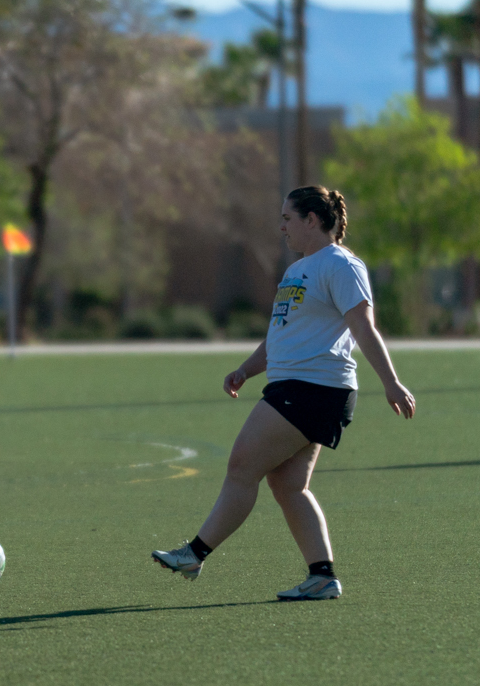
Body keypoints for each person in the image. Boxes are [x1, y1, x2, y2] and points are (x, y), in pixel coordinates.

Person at [150, 186, 416, 601]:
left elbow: (364, 327)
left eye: (288, 218)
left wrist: (391, 381)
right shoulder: (297, 271)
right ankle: (322, 576)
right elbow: (281, 336)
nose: (282, 226)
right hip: (296, 385)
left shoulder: (341, 265)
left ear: (312, 219)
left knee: (242, 465)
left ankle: (195, 554)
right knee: (288, 484)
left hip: (316, 387)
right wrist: (246, 369)